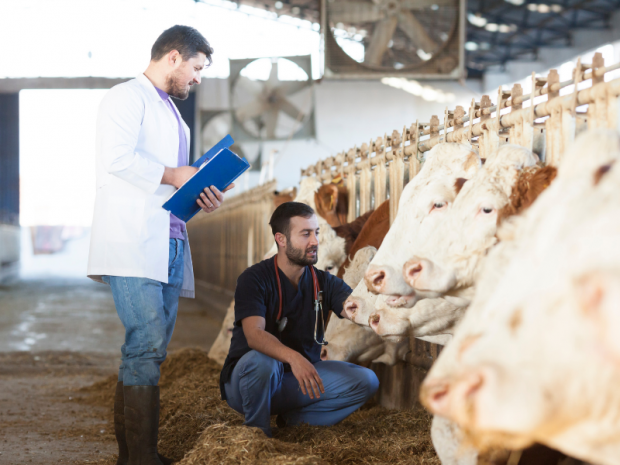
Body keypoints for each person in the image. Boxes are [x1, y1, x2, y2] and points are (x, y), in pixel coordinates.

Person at [87, 25, 233, 465]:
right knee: (146, 345)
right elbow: (116, 159)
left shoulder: (169, 110)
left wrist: (199, 191)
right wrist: (175, 175)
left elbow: (173, 179)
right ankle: (141, 457)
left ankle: (134, 455)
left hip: (166, 240)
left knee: (148, 350)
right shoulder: (126, 98)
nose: (198, 78)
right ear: (173, 57)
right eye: (197, 68)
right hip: (132, 241)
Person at [220, 202, 379, 437]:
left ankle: (294, 425)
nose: (315, 241)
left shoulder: (323, 282)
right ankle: (257, 434)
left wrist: (368, 312)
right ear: (281, 240)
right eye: (305, 234)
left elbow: (352, 307)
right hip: (248, 383)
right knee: (264, 362)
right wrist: (294, 358)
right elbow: (254, 335)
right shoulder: (253, 279)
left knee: (366, 380)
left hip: (296, 381)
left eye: (316, 232)